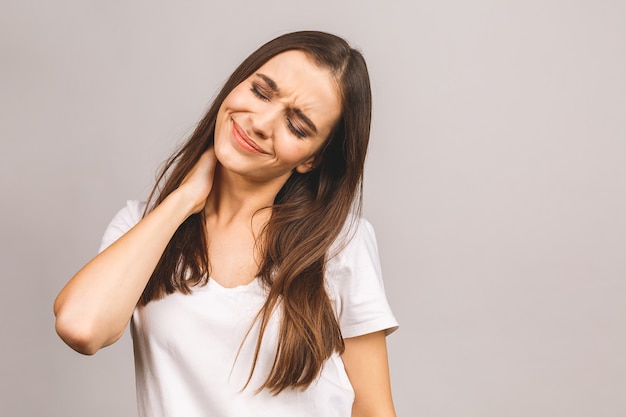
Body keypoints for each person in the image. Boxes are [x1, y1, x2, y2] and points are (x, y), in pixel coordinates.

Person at [54, 31, 398, 417]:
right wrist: (183, 201)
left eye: (297, 126)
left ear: (312, 160)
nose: (261, 123)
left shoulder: (339, 245)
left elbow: (374, 410)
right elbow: (80, 327)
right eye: (261, 92)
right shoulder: (143, 227)